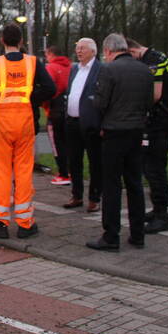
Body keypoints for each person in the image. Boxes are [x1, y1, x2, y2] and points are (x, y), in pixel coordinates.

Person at [0, 23, 56, 240]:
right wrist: (30, 99)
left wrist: (1, 99)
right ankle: (25, 223)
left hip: (3, 120)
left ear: (2, 40)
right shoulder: (33, 63)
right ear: (21, 41)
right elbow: (50, 88)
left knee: (1, 170)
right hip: (25, 120)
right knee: (23, 170)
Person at [86, 33, 153, 251]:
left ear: (107, 51)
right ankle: (138, 234)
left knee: (112, 185)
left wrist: (95, 103)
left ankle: (111, 235)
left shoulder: (108, 70)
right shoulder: (144, 69)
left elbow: (101, 102)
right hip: (136, 131)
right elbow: (149, 100)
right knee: (135, 184)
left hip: (114, 132)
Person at [126, 38, 168, 234]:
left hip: (160, 122)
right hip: (159, 121)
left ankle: (162, 216)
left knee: (154, 167)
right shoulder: (154, 57)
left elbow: (155, 94)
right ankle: (157, 209)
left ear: (132, 51)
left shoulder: (153, 61)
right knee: (150, 167)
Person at [63, 38, 103, 212]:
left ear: (93, 51)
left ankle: (95, 197)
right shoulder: (74, 69)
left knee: (95, 161)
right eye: (77, 48)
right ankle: (76, 195)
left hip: (91, 123)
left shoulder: (100, 69)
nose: (79, 51)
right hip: (72, 121)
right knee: (74, 160)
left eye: (83, 49)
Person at [43, 45, 72, 186]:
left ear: (50, 54)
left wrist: (45, 104)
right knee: (69, 142)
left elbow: (47, 89)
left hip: (55, 110)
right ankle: (71, 170)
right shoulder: (71, 67)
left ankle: (63, 173)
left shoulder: (51, 68)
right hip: (70, 110)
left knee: (57, 143)